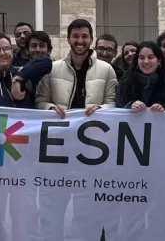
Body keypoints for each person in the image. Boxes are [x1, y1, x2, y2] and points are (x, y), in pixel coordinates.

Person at [35, 19, 117, 241]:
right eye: (75, 36)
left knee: (86, 211)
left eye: (84, 37)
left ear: (91, 39)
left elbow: (114, 103)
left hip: (91, 152)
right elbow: (40, 101)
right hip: (57, 150)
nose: (80, 41)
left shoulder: (106, 69)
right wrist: (52, 107)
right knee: (51, 209)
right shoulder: (52, 69)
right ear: (68, 38)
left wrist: (102, 108)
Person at [114, 41, 165, 239]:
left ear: (159, 61)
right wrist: (129, 107)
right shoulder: (125, 83)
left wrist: (164, 113)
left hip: (161, 159)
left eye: (150, 57)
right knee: (132, 207)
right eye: (141, 57)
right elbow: (116, 112)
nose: (146, 61)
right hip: (132, 156)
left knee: (161, 206)